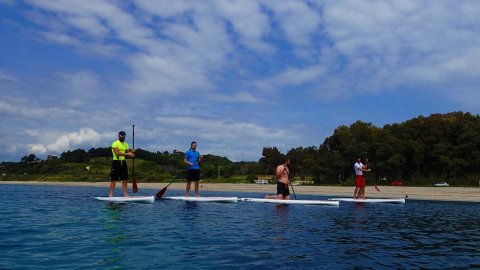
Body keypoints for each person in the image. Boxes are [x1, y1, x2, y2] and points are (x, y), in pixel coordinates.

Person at [108, 131, 135, 197]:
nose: (122, 137)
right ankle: (110, 195)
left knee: (125, 179)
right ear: (118, 136)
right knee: (113, 180)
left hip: (123, 162)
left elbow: (128, 151)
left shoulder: (126, 144)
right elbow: (117, 153)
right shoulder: (115, 143)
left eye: (123, 136)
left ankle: (125, 195)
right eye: (121, 136)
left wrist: (132, 151)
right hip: (116, 162)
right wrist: (127, 154)